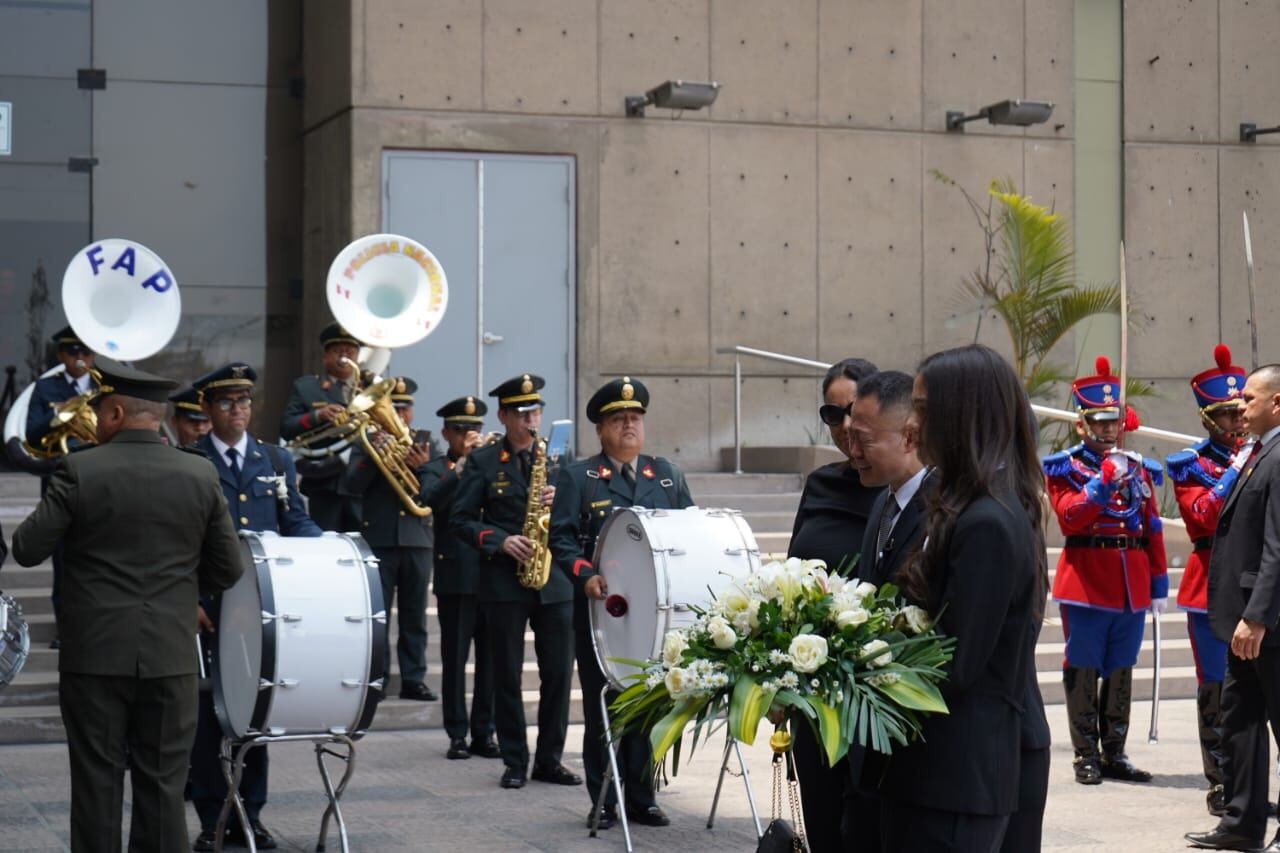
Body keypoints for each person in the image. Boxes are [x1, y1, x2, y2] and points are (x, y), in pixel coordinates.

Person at [10, 357, 243, 852]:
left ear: (114, 413)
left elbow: (27, 549)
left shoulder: (79, 468)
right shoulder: (199, 474)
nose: (92, 420)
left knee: (96, 783)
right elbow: (229, 570)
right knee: (162, 785)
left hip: (94, 656)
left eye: (97, 412)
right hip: (170, 655)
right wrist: (182, 587)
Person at [876, 344, 1046, 853]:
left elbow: (956, 662)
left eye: (923, 408)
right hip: (937, 775)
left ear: (961, 413)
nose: (912, 424)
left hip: (957, 778)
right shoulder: (963, 505)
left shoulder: (988, 521)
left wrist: (859, 663)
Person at [187, 362, 322, 852]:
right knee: (209, 720)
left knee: (257, 713)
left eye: (243, 401)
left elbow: (296, 522)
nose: (237, 410)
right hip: (210, 608)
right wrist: (187, 601)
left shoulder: (275, 459)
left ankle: (253, 815)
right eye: (225, 402)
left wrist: (328, 549)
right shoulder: (191, 460)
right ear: (206, 409)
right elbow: (180, 542)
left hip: (264, 607)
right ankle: (211, 818)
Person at [549, 377, 694, 830]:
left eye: (635, 418)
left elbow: (690, 533)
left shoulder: (666, 475)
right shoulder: (579, 477)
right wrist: (586, 575)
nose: (629, 425)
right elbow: (562, 540)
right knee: (604, 708)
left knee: (651, 704)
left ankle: (643, 797)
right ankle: (605, 800)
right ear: (602, 430)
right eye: (618, 419)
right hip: (602, 614)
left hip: (656, 616)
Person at [451, 374, 581, 790]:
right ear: (504, 416)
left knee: (558, 674)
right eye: (523, 413)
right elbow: (461, 520)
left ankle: (550, 759)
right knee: (505, 674)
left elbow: (579, 517)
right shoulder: (484, 461)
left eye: (536, 412)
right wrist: (499, 541)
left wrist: (560, 500)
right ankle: (514, 759)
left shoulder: (560, 459)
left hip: (555, 579)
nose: (531, 420)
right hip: (504, 580)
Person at [1044, 356, 1167, 786]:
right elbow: (1070, 518)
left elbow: (1151, 526)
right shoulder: (1065, 468)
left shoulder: (1136, 466)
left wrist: (1157, 580)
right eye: (1099, 422)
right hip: (1088, 580)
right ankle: (1085, 754)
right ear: (1082, 424)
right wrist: (1100, 485)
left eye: (1113, 421)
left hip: (1131, 581)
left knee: (1120, 666)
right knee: (1083, 663)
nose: (1109, 430)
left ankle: (1114, 751)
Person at [786, 357, 881, 853]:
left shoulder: (903, 491)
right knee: (822, 822)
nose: (844, 426)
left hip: (874, 691)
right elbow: (791, 579)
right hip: (814, 688)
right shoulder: (821, 483)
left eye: (853, 412)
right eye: (831, 413)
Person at [1186, 365, 1280, 853]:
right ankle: (1242, 824)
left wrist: (1259, 615)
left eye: (1249, 398)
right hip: (1244, 615)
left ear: (1277, 403)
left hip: (1267, 622)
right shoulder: (1257, 453)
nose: (1241, 407)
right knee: (1240, 719)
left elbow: (1278, 546)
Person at [1166, 345, 1248, 816]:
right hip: (1211, 584)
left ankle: (1251, 785)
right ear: (1206, 418)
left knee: (1255, 695)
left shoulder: (1263, 456)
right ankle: (1220, 782)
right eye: (1226, 415)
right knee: (1216, 687)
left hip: (1256, 588)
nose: (1236, 423)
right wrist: (1234, 473)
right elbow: (1202, 519)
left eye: (1240, 412)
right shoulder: (1191, 464)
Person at [339, 377, 437, 701]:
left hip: (417, 539)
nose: (399, 414)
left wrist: (423, 468)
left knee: (414, 616)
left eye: (404, 408)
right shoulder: (365, 442)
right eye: (394, 407)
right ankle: (377, 678)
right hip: (380, 537)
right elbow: (351, 485)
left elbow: (438, 490)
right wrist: (372, 457)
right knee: (377, 615)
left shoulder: (426, 443)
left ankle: (414, 679)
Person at [423, 396, 499, 760]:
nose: (469, 436)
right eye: (460, 430)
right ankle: (456, 734)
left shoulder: (492, 466)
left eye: (475, 429)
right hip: (456, 575)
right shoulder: (438, 467)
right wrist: (464, 466)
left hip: (491, 573)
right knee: (455, 660)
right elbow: (430, 500)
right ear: (446, 434)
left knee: (491, 661)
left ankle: (485, 732)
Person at [24, 325, 100, 647]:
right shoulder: (46, 387)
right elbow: (31, 433)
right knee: (63, 559)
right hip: (60, 480)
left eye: (85, 351)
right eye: (72, 352)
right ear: (60, 355)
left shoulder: (105, 388)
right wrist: (62, 413)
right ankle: (65, 629)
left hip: (98, 481)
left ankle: (95, 626)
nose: (80, 358)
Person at [278, 322, 364, 531]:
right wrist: (317, 416)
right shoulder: (307, 387)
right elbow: (287, 427)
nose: (344, 357)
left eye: (350, 352)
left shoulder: (369, 388)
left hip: (363, 483)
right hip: (324, 483)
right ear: (325, 356)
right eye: (338, 351)